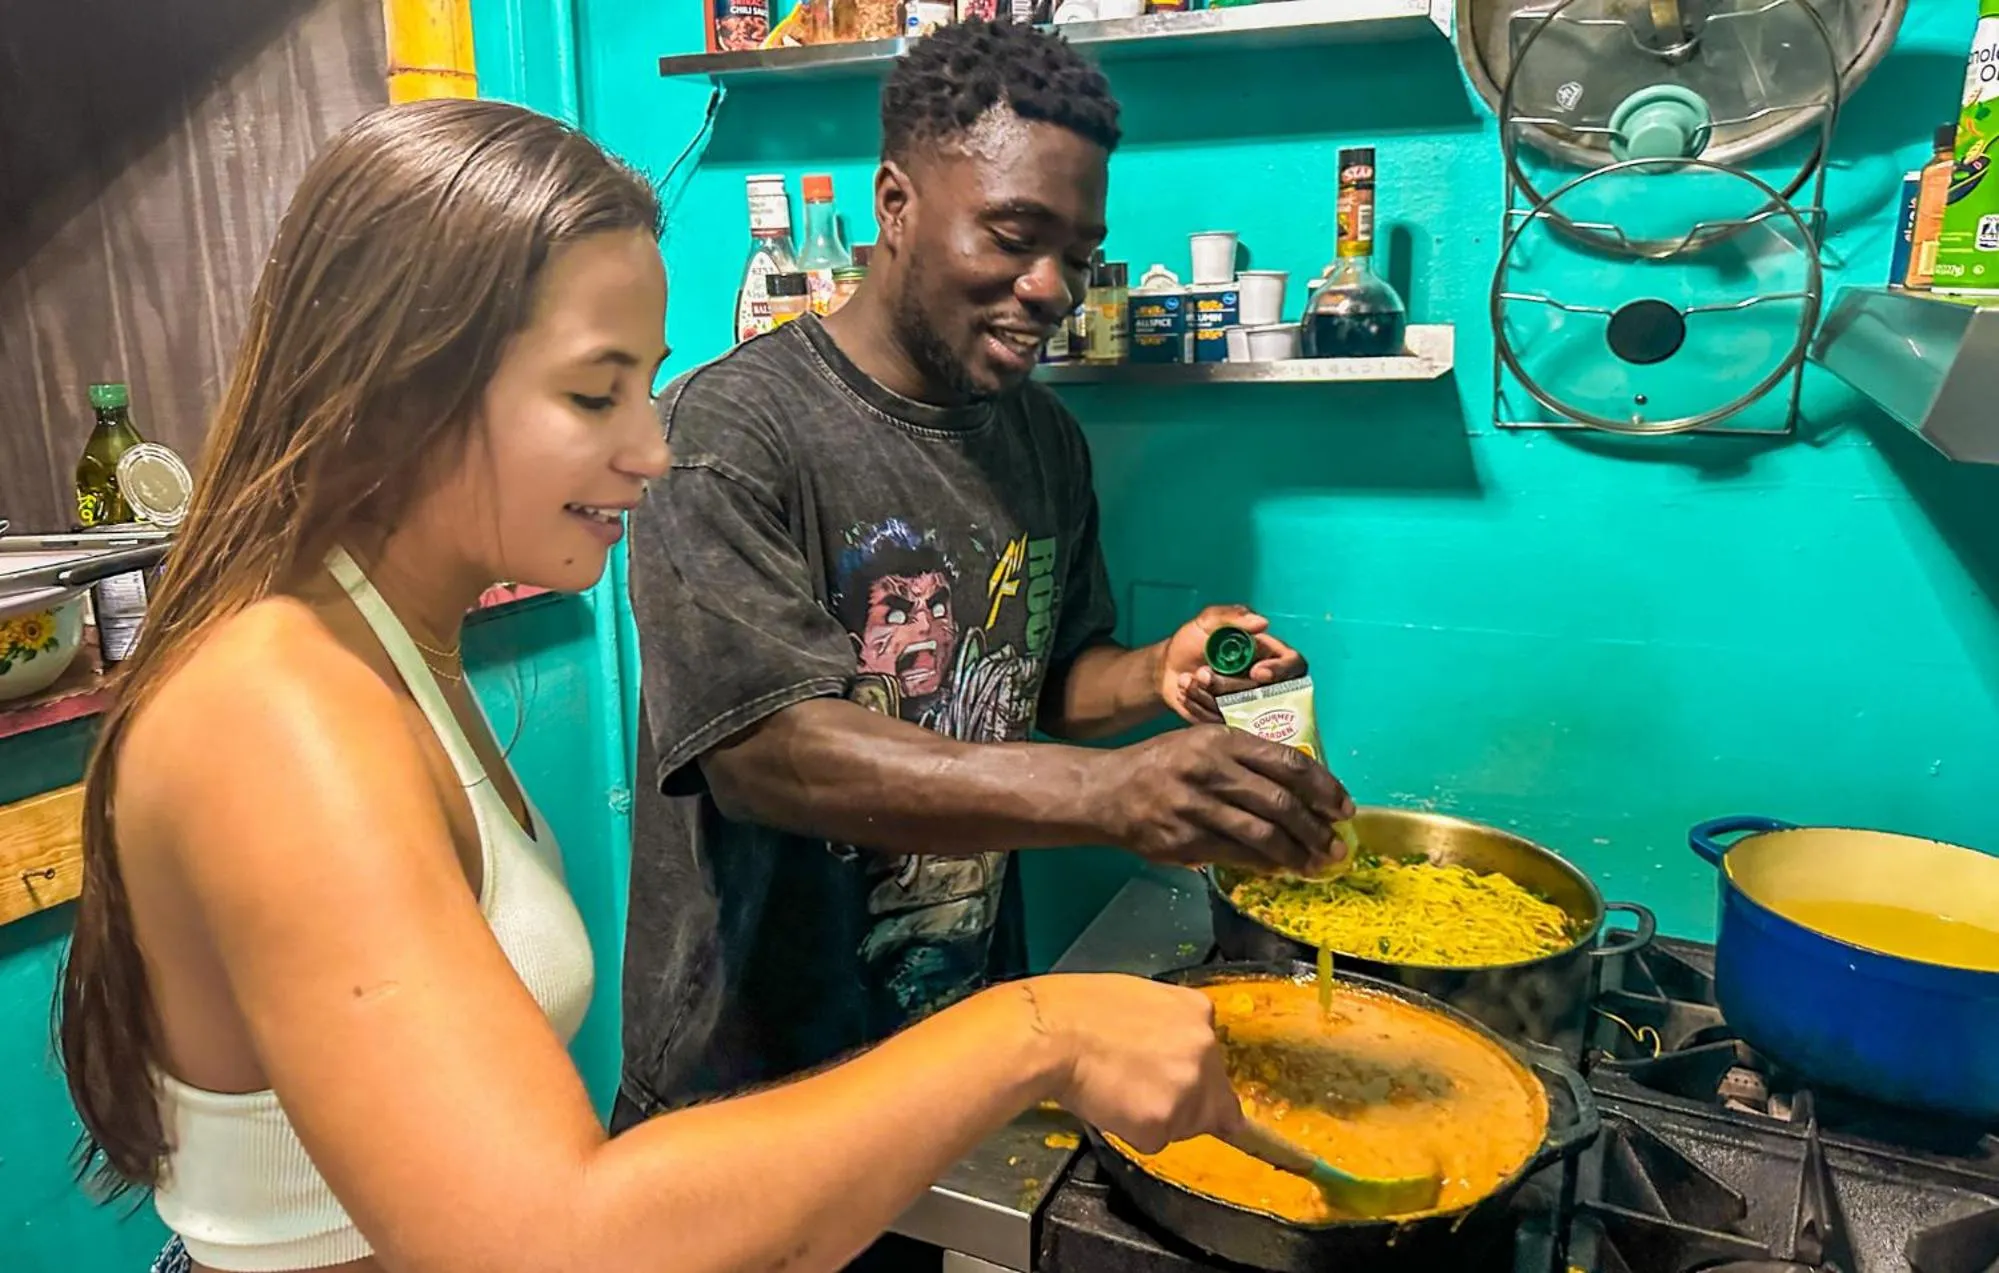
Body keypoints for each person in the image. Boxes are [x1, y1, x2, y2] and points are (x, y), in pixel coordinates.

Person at [55, 98, 1245, 1273]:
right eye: (592, 394)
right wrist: (1039, 1029)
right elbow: (547, 1242)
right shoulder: (276, 712)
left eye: (645, 386)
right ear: (399, 384)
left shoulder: (388, 652)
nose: (653, 448)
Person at [621, 19, 1355, 1125]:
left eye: (1081, 252)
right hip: (745, 1082)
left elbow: (1047, 675)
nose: (1052, 286)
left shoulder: (1039, 437)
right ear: (894, 204)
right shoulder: (732, 431)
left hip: (954, 1044)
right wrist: (1110, 793)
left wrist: (1164, 670)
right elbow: (765, 756)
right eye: (1013, 234)